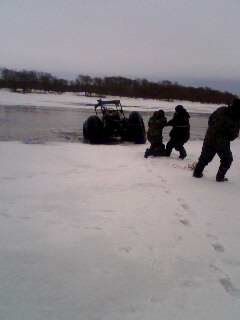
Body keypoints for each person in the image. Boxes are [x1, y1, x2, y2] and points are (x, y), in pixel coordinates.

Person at [193, 98, 240, 182]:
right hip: (221, 141)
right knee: (227, 159)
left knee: (204, 158)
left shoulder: (221, 109)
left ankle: (197, 173)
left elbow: (210, 119)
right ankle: (220, 177)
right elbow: (234, 134)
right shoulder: (236, 117)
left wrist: (211, 130)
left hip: (210, 137)